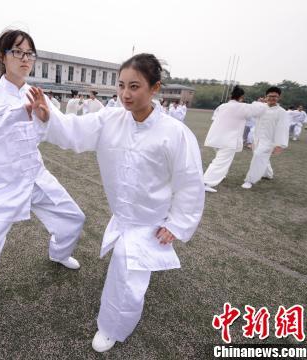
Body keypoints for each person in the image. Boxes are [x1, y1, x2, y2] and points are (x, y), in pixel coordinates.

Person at [29, 53, 205, 353]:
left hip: (150, 221)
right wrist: (48, 117)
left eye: (135, 86)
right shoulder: (110, 119)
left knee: (126, 270)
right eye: (121, 85)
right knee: (129, 265)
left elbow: (189, 183)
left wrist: (177, 224)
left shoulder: (175, 133)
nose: (125, 94)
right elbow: (76, 130)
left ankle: (112, 327)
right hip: (122, 215)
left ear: (155, 88)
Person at [0, 29, 85, 320]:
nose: (25, 59)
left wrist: (44, 118)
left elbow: (54, 129)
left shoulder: (36, 93)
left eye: (30, 53)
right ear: (2, 56)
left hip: (34, 175)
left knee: (73, 219)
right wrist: (18, 112)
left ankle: (58, 254)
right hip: (0, 184)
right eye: (18, 52)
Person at [202, 86, 267, 192]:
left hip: (216, 138)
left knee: (220, 160)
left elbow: (214, 117)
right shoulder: (242, 107)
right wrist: (259, 102)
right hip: (228, 140)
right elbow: (260, 110)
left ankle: (219, 176)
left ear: (231, 95)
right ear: (241, 97)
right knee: (220, 162)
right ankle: (206, 182)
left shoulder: (223, 106)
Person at [242, 86, 289, 189]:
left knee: (258, 156)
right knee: (261, 157)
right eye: (270, 96)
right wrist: (258, 102)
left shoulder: (282, 112)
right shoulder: (261, 107)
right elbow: (250, 109)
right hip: (257, 138)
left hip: (269, 141)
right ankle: (268, 174)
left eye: (275, 96)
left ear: (279, 97)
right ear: (266, 97)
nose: (272, 98)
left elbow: (283, 129)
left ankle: (250, 180)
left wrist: (280, 145)